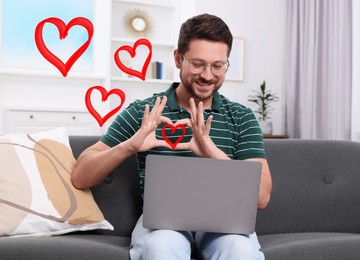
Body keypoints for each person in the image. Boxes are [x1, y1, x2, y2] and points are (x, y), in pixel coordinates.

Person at [72, 13, 272, 260]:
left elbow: (262, 197)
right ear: (178, 59)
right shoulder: (143, 112)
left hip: (224, 223)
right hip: (162, 224)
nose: (207, 75)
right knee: (160, 246)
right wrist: (129, 146)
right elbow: (81, 176)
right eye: (198, 64)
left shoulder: (240, 117)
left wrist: (213, 153)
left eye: (218, 66)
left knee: (239, 249)